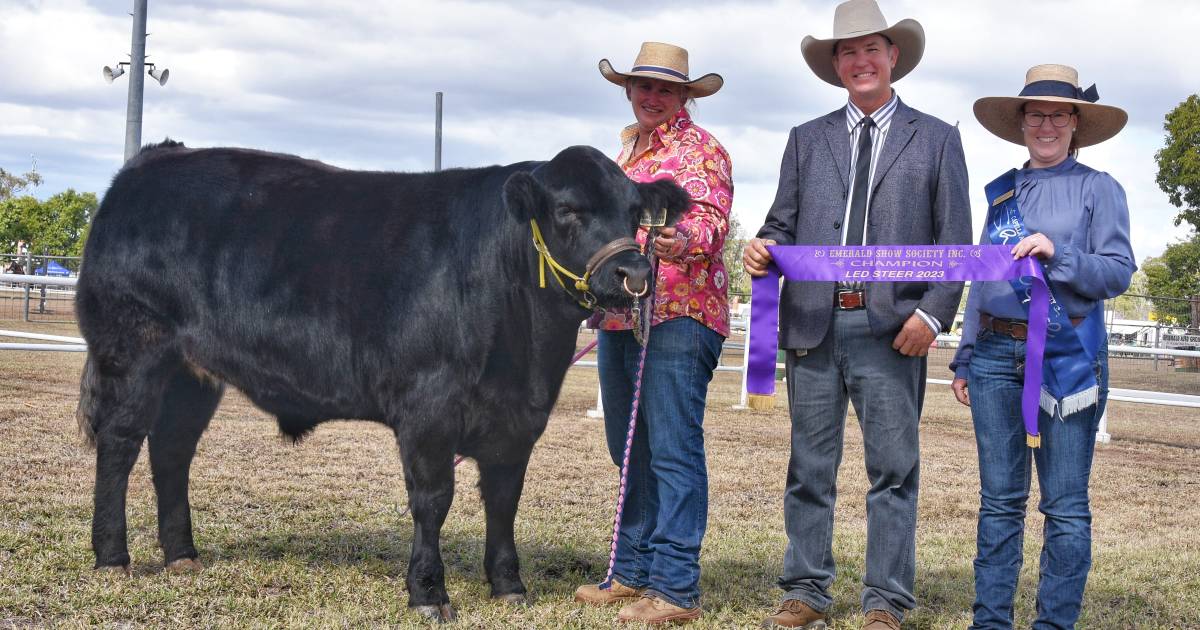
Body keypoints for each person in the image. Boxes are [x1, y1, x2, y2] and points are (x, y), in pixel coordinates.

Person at [742, 1, 971, 628]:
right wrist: (762, 244)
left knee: (893, 472)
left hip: (893, 332)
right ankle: (805, 590)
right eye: (848, 52)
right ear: (835, 64)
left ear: (893, 57)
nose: (860, 60)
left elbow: (955, 240)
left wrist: (932, 316)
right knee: (808, 469)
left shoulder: (938, 139)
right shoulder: (804, 139)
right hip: (813, 324)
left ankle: (886, 600)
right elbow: (780, 224)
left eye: (872, 49)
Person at [950, 64, 1135, 629]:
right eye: (1036, 114)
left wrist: (1059, 254)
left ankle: (1054, 623)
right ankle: (991, 621)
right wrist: (966, 350)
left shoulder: (1100, 188)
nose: (1046, 124)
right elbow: (985, 279)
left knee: (1065, 506)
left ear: (1076, 123)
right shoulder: (1003, 192)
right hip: (994, 360)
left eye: (1058, 114)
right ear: (1022, 122)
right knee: (999, 502)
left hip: (1067, 356)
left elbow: (1118, 273)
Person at [573, 41, 732, 626]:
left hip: (679, 315)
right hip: (620, 315)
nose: (653, 96)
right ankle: (632, 569)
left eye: (666, 89)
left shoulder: (701, 150)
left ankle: (674, 586)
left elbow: (710, 220)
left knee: (671, 449)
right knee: (628, 446)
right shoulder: (622, 157)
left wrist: (679, 239)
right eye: (644, 86)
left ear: (685, 96)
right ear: (629, 91)